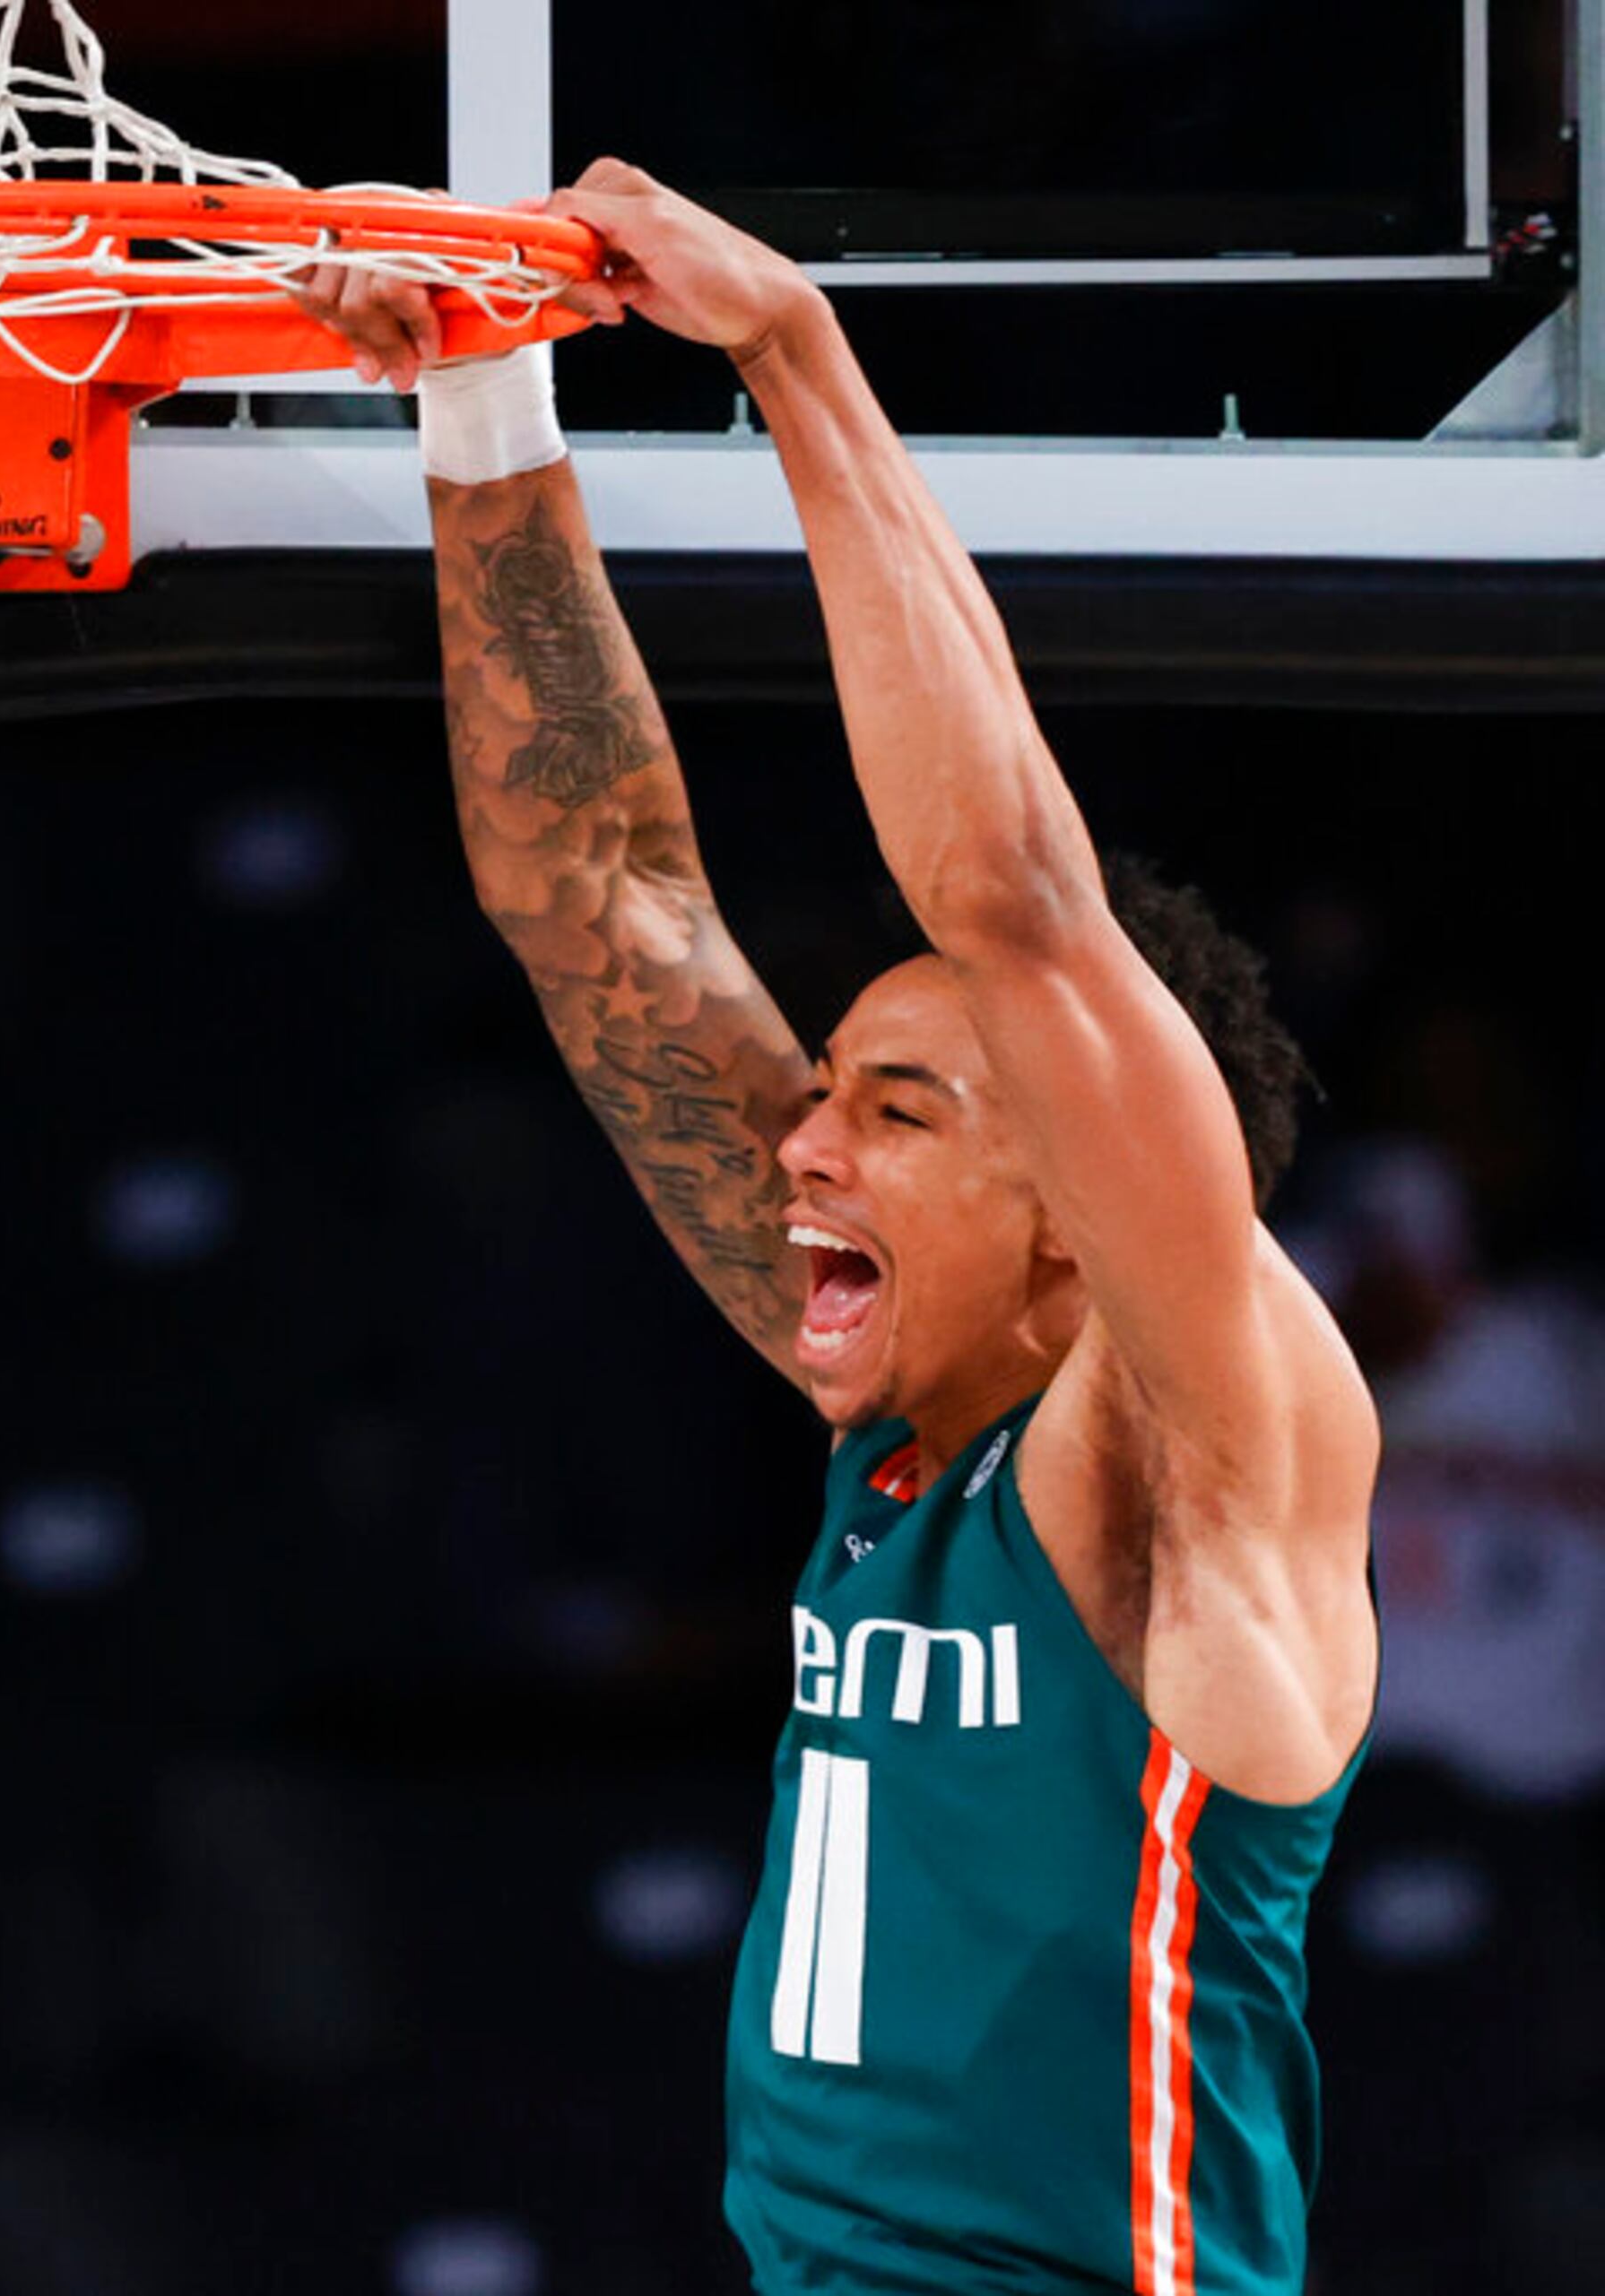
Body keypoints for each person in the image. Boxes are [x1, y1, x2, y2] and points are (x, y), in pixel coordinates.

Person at [299, 163, 1383, 2293]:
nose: (802, 1146)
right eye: (822, 1097)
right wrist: (487, 401)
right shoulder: (912, 1435)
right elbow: (600, 898)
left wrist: (792, 351)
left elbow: (1019, 907)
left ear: (1083, 1205)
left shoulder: (1182, 1457)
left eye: (894, 1109)